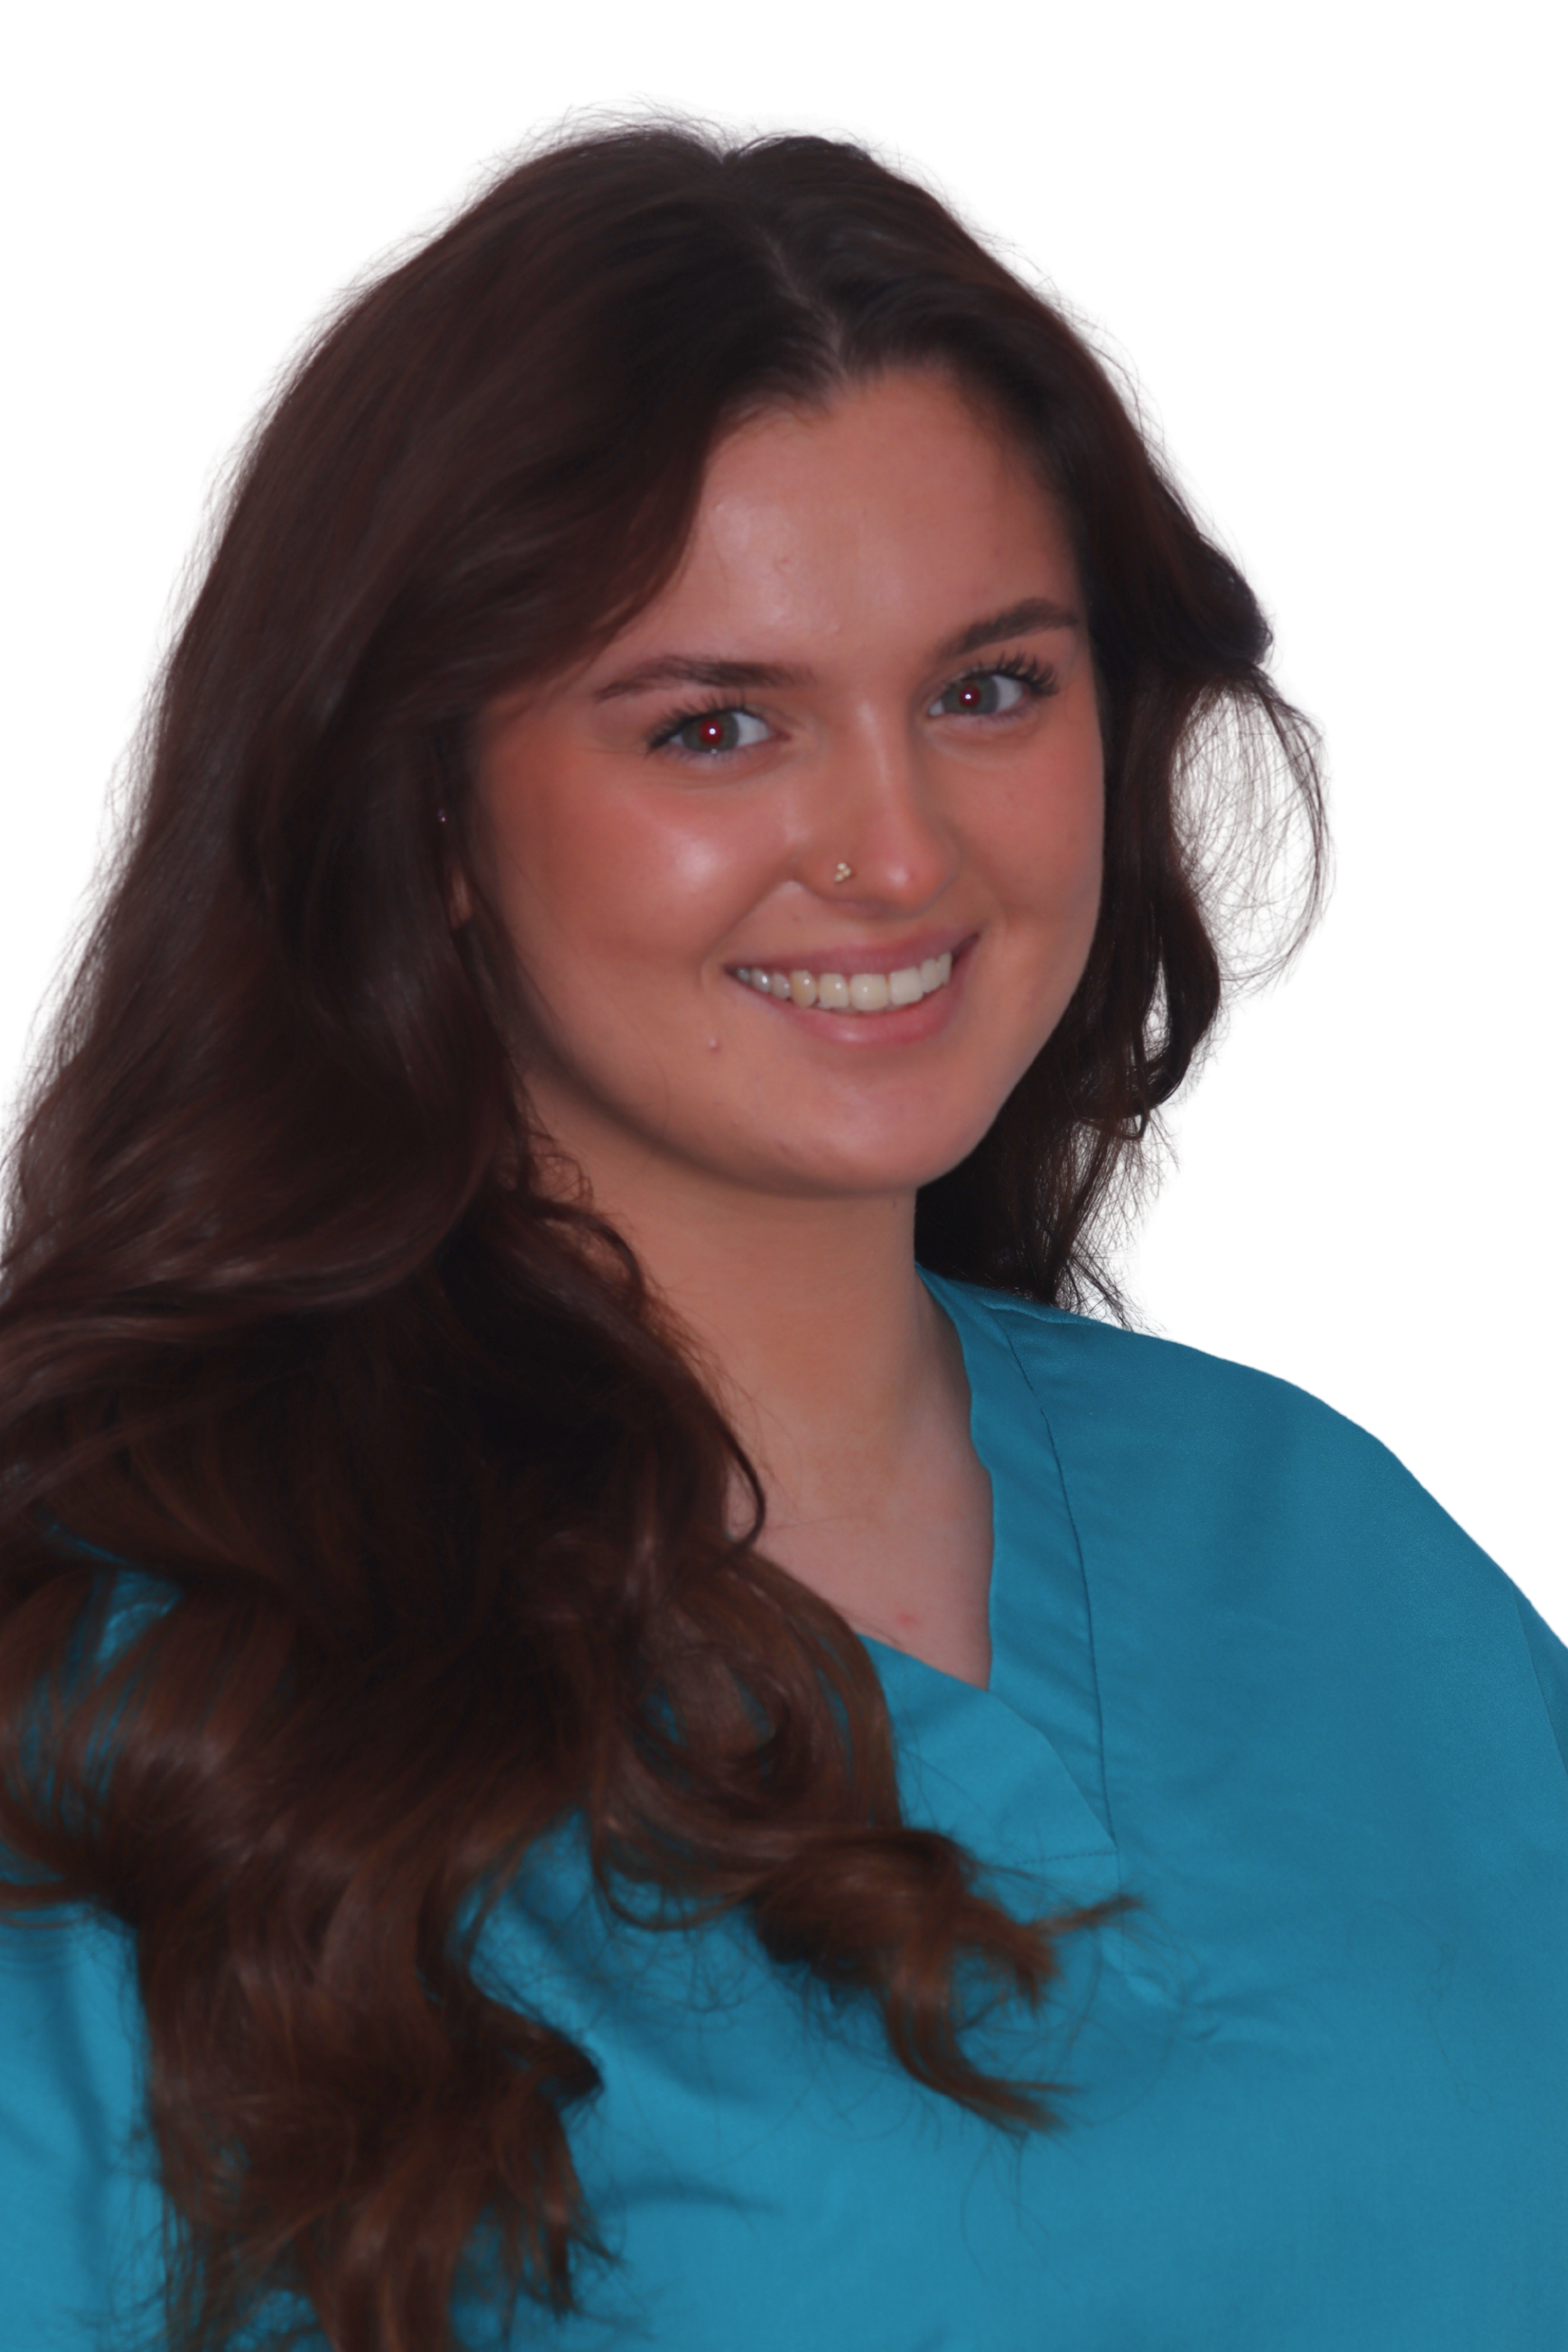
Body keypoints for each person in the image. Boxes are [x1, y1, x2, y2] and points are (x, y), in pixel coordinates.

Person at [1, 119, 1564, 2352]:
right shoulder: (142, 1709)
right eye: (716, 725)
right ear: (423, 814)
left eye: (988, 688)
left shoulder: (1321, 1549)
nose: (896, 848)